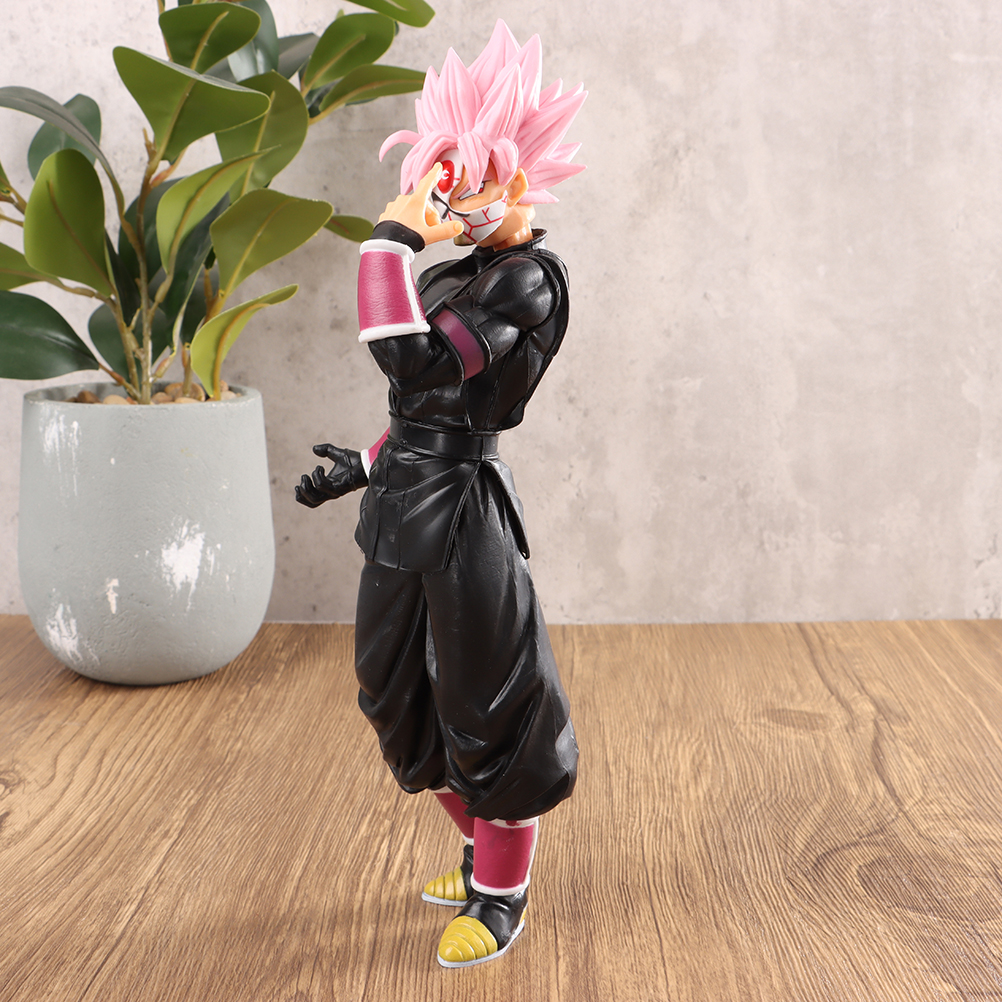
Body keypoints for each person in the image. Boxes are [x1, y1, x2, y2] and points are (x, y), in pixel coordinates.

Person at [296, 20, 586, 968]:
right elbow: (423, 409)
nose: (448, 203)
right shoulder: (461, 271)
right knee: (395, 696)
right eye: (439, 181)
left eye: (464, 181)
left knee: (484, 706)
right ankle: (479, 853)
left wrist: (386, 242)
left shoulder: (528, 283)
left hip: (465, 515)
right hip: (405, 499)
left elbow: (418, 366)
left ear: (516, 175)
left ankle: (501, 891)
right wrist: (366, 464)